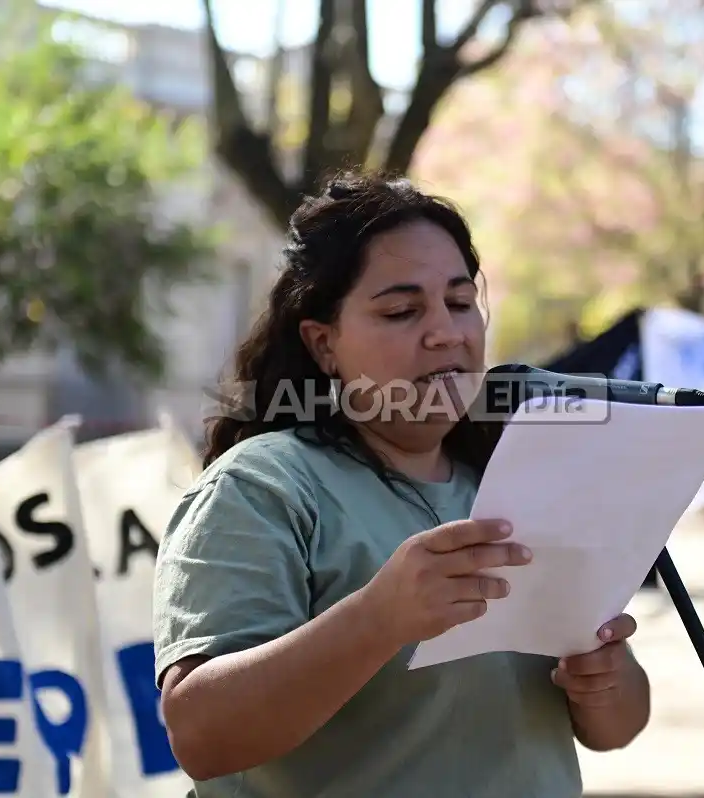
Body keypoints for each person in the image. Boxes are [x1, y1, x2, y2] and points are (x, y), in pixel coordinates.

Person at [152, 173, 652, 797]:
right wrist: (378, 618)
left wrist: (606, 678)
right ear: (324, 343)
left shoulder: (518, 480)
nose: (446, 332)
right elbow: (200, 735)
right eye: (402, 310)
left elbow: (616, 729)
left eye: (461, 302)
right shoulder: (261, 487)